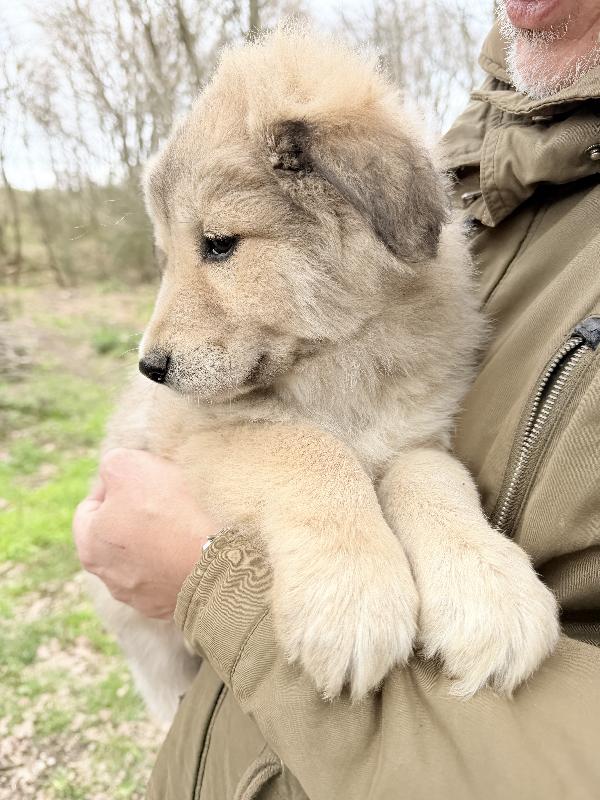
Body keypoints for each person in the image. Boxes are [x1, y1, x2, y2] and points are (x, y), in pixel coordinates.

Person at [73, 3, 600, 798]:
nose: (159, 338)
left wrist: (435, 514)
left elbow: (407, 447)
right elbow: (198, 445)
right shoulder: (497, 157)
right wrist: (322, 502)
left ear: (358, 203)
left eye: (219, 245)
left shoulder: (370, 183)